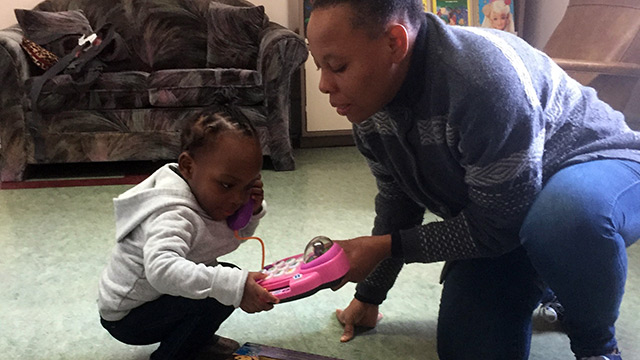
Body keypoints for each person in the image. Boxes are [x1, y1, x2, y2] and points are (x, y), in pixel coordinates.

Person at [305, 1, 640, 359]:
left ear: (394, 43)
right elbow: (397, 203)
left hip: (598, 166)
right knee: (469, 349)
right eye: (319, 67)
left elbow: (496, 228)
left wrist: (387, 247)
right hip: (504, 207)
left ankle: (597, 347)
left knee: (564, 221)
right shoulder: (369, 106)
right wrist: (369, 295)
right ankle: (551, 278)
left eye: (338, 66)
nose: (325, 85)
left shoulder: (481, 80)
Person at [97, 107, 279, 360]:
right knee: (220, 292)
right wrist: (232, 286)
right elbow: (162, 270)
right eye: (227, 185)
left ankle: (195, 341)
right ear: (187, 167)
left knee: (225, 281)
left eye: (247, 186)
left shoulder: (208, 194)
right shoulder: (173, 214)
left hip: (157, 298)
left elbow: (227, 237)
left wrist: (252, 209)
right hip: (128, 317)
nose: (238, 198)